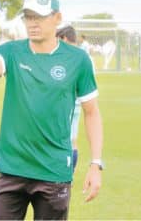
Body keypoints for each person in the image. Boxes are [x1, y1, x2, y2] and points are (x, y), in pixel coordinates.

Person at [0, 0, 104, 219]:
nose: (33, 23)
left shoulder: (78, 60)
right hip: (10, 169)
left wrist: (95, 164)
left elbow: (91, 113)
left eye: (40, 17)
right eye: (28, 17)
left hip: (53, 171)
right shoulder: (12, 51)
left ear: (57, 18)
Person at [56, 25, 80, 173]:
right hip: (76, 104)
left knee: (65, 140)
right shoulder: (84, 56)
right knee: (72, 139)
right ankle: (68, 174)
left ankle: (66, 174)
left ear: (64, 38)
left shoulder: (71, 56)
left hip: (66, 103)